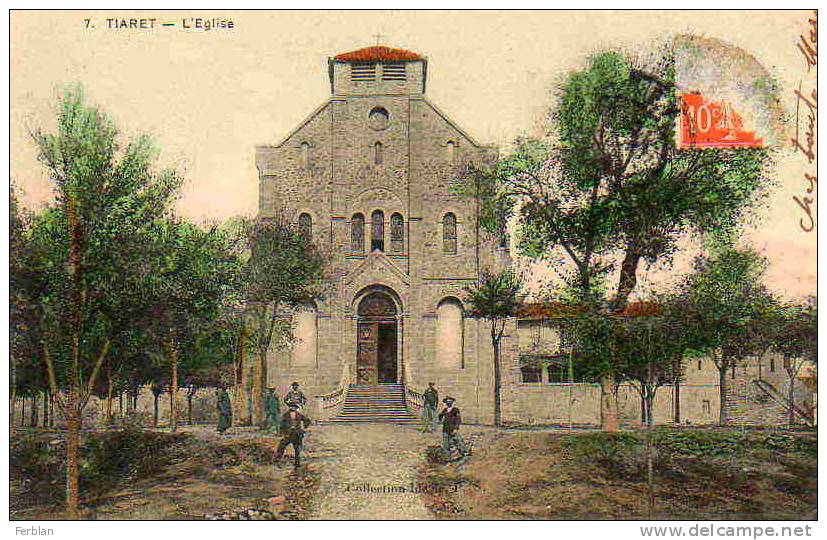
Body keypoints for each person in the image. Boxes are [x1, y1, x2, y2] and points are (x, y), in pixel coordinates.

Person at [438, 396, 468, 463]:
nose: (448, 403)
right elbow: (440, 416)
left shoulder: (455, 410)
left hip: (453, 429)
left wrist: (456, 428)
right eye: (447, 402)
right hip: (445, 429)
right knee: (446, 444)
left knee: (458, 441)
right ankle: (448, 459)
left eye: (450, 402)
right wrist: (440, 419)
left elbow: (458, 419)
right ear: (445, 403)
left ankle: (465, 453)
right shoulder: (445, 410)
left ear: (452, 402)